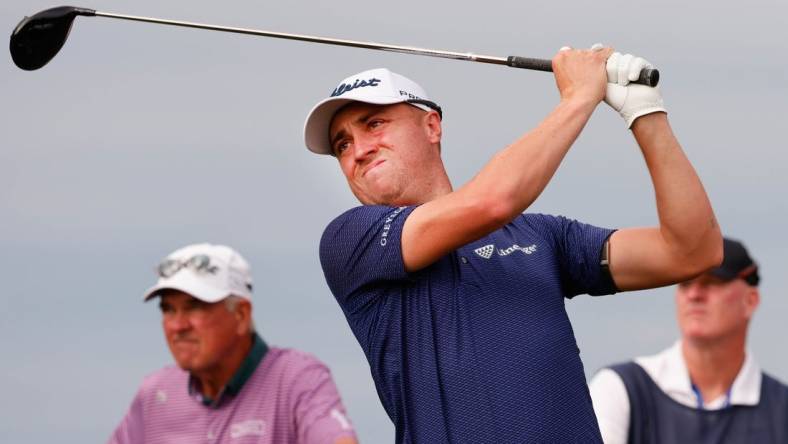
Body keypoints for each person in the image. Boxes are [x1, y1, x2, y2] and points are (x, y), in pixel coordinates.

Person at [302, 45, 722, 442]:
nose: (357, 150)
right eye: (342, 144)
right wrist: (578, 99)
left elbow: (691, 250)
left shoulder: (541, 236)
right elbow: (492, 201)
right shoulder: (352, 239)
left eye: (373, 124)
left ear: (431, 126)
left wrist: (645, 111)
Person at [108, 243, 357, 444]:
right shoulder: (156, 393)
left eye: (195, 308)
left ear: (241, 315)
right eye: (169, 310)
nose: (178, 326)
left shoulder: (296, 378)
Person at [589, 238, 788, 443]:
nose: (694, 294)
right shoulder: (619, 388)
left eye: (712, 283)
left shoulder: (782, 410)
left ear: (751, 300)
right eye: (685, 283)